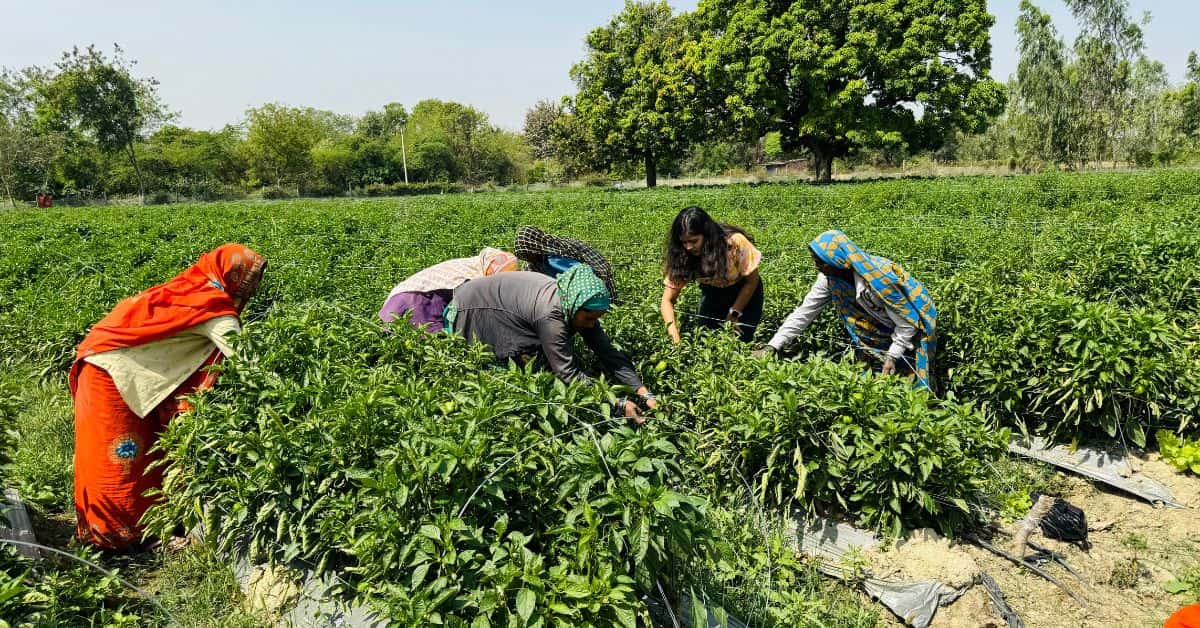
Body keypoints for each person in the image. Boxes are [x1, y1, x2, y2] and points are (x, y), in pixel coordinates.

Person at [71, 244, 266, 551]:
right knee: (120, 456)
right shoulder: (217, 313)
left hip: (100, 362)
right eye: (251, 278)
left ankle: (116, 528)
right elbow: (251, 365)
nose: (254, 287)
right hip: (111, 375)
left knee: (132, 451)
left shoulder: (193, 287)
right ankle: (118, 538)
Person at [443, 265, 656, 420]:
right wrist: (616, 403)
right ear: (575, 307)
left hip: (497, 300)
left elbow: (607, 352)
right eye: (590, 319)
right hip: (474, 307)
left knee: (539, 360)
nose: (593, 324)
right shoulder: (551, 316)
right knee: (500, 370)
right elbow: (567, 372)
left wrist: (643, 392)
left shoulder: (575, 303)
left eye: (597, 319)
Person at [754, 230, 937, 391]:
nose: (817, 267)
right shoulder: (828, 278)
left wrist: (892, 355)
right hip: (871, 339)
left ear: (839, 261)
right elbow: (804, 312)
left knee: (905, 390)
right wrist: (773, 346)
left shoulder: (877, 281)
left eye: (821, 262)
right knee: (872, 389)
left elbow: (907, 323)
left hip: (904, 337)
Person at [660, 206, 763, 343]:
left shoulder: (734, 243)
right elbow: (667, 300)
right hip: (713, 294)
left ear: (707, 235)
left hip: (745, 292)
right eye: (684, 242)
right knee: (705, 341)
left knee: (738, 342)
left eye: (694, 241)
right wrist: (675, 341)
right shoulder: (683, 254)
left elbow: (752, 281)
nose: (688, 247)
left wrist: (734, 313)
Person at [379, 247, 518, 332]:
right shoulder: (473, 276)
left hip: (405, 298)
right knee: (431, 345)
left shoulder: (473, 265)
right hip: (418, 301)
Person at [514, 226, 619, 302]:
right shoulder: (536, 262)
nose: (527, 257)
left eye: (527, 252)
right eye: (523, 254)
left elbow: (583, 277)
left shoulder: (554, 257)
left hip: (591, 288)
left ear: (534, 245)